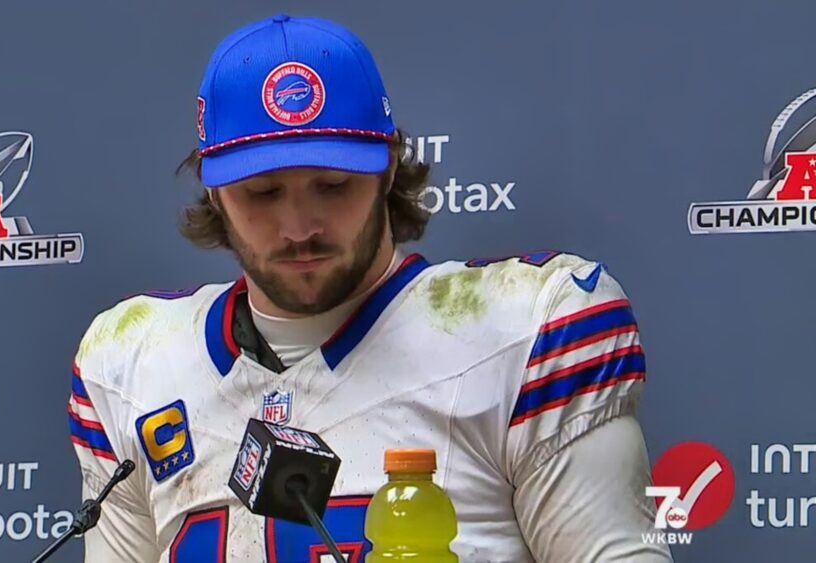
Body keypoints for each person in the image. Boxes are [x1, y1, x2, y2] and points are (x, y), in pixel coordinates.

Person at [68, 13, 673, 562]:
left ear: (386, 165)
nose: (299, 227)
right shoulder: (131, 364)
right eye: (263, 193)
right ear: (213, 189)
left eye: (332, 185)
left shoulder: (529, 329)